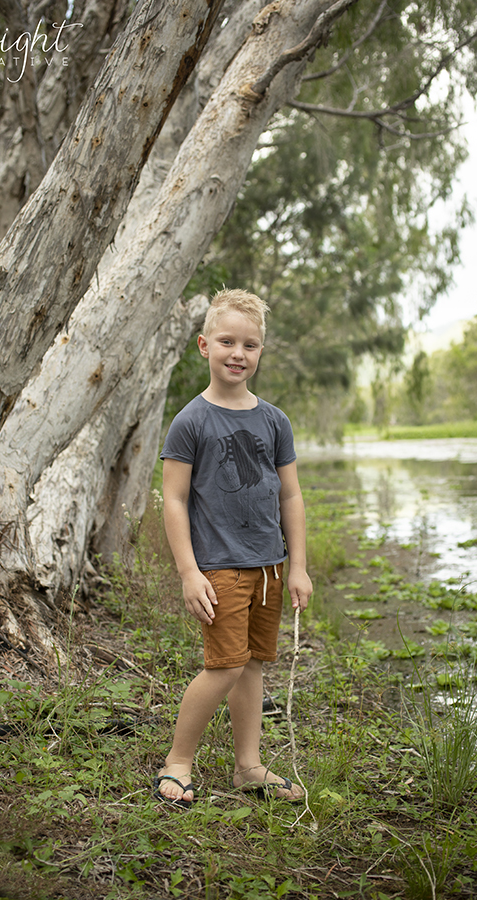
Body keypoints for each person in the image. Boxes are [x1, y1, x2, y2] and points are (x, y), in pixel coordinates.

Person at [153, 288, 313, 808]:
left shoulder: (274, 421)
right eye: (227, 341)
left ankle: (249, 767)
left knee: (251, 667)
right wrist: (188, 572)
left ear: (261, 351)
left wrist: (298, 567)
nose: (238, 353)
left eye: (250, 344)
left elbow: (290, 494)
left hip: (269, 566)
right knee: (222, 665)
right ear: (204, 345)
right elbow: (174, 500)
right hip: (219, 567)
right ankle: (178, 761)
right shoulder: (192, 421)